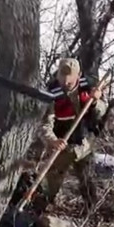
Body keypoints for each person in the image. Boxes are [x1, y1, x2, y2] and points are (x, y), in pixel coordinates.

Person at [34, 58, 107, 212]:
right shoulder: (50, 94)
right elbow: (44, 124)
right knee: (50, 184)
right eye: (62, 77)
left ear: (78, 75)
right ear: (58, 75)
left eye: (70, 77)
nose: (66, 81)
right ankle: (38, 213)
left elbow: (101, 112)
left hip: (85, 144)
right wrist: (53, 141)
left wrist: (96, 101)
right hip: (62, 146)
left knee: (87, 180)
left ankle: (91, 212)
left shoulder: (90, 88)